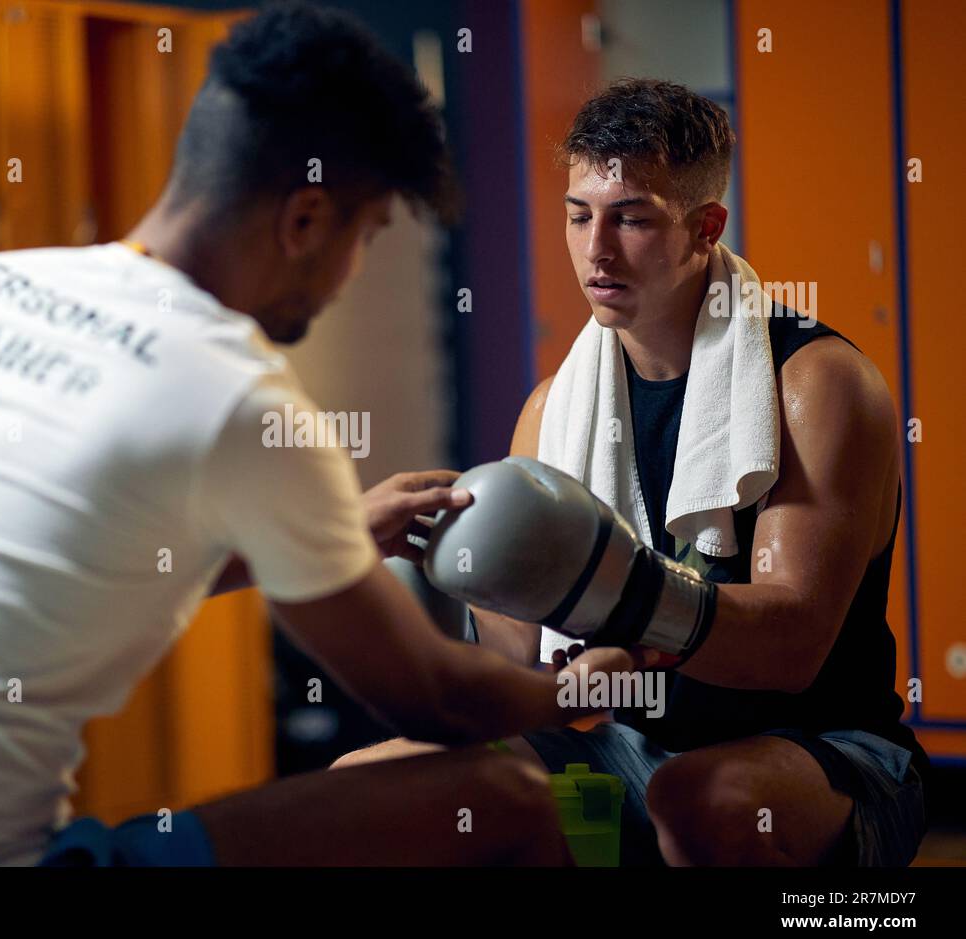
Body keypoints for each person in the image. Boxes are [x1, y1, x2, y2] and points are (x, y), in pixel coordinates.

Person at [0, 1, 639, 868]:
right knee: (498, 796)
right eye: (365, 233)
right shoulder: (232, 391)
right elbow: (441, 700)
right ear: (305, 217)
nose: (350, 271)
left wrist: (334, 531)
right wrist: (586, 686)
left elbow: (68, 560)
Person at [339, 79, 929, 868]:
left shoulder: (814, 386)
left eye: (633, 218)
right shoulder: (555, 409)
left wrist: (625, 596)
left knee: (700, 802)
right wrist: (474, 562)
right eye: (579, 216)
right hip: (629, 745)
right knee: (366, 788)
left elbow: (789, 651)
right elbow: (524, 665)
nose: (598, 250)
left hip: (823, 754)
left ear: (705, 227)